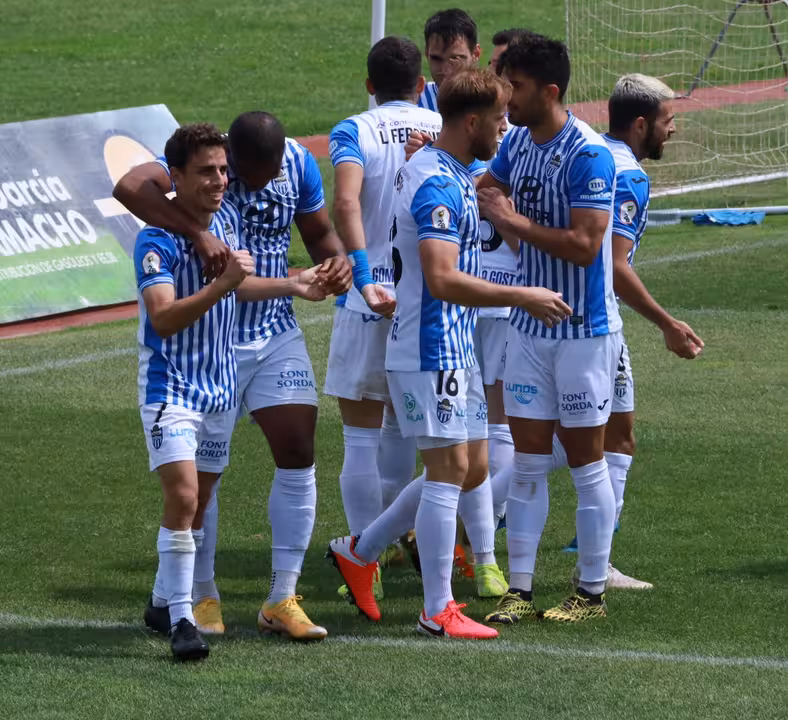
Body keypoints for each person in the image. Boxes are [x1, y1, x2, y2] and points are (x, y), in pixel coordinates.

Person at [327, 68, 571, 639]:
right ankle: (437, 609)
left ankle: (360, 551)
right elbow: (439, 277)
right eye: (499, 120)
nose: (505, 129)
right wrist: (523, 295)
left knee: (470, 468)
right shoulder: (437, 181)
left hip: (454, 346)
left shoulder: (454, 170)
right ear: (472, 122)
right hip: (429, 347)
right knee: (447, 473)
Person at [116, 112, 351, 641]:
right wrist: (199, 236)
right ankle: (194, 600)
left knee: (296, 448)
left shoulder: (293, 165)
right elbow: (129, 186)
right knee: (191, 492)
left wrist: (334, 268)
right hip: (198, 353)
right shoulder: (201, 171)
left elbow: (317, 233)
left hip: (267, 333)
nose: (229, 181)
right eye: (227, 172)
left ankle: (281, 598)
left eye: (229, 173)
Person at [477, 33, 622, 624]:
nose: (506, 96)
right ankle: (520, 589)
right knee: (529, 462)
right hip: (528, 328)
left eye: (515, 86)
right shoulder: (516, 142)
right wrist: (510, 228)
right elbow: (489, 188)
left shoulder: (589, 154)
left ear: (551, 90)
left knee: (586, 463)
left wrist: (514, 225)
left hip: (583, 331)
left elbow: (586, 246)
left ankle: (591, 593)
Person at [558, 73, 704, 589]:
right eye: (668, 120)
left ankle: (593, 556)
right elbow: (615, 266)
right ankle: (591, 563)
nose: (673, 130)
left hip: (554, 316)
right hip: (595, 325)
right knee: (588, 440)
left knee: (598, 437)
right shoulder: (629, 176)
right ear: (641, 124)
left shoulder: (590, 154)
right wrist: (667, 323)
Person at [324, 36, 439, 560]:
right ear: (421, 83)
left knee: (360, 438)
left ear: (370, 85)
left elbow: (346, 202)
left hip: (366, 300)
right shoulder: (443, 128)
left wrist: (364, 274)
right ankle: (396, 539)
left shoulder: (354, 129)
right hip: (425, 298)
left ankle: (364, 555)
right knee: (407, 428)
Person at [418, 8, 481, 111]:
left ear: (475, 54)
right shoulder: (414, 102)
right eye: (436, 59)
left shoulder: (494, 103)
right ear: (426, 54)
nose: (445, 70)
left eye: (455, 59)